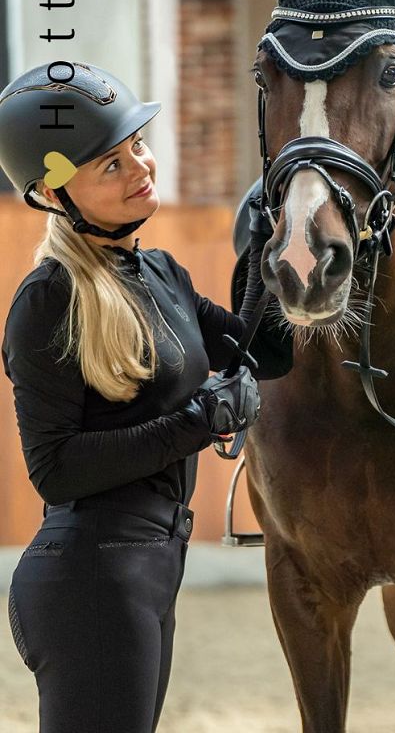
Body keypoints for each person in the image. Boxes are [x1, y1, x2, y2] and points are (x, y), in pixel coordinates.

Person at [0, 61, 290, 733]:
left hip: (151, 566)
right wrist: (201, 420)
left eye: (136, 145)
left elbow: (263, 349)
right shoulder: (48, 302)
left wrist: (273, 245)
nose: (139, 166)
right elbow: (56, 469)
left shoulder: (160, 272)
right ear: (51, 193)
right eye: (109, 165)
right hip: (91, 579)